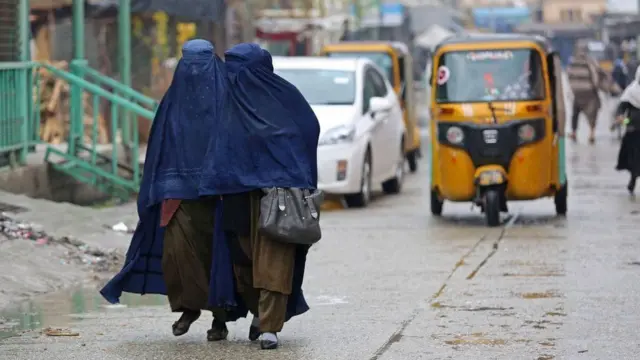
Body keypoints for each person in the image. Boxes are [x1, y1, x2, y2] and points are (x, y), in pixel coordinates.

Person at [100, 39, 248, 341]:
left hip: (220, 195)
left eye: (202, 61)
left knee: (219, 259)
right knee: (178, 257)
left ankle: (219, 319)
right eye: (189, 62)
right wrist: (159, 186)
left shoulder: (229, 100)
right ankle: (188, 307)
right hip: (178, 195)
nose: (195, 70)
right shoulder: (172, 104)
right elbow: (159, 149)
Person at [198, 43, 320, 350]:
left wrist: (285, 169)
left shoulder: (285, 98)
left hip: (278, 194)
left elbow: (306, 131)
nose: (232, 75)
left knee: (275, 260)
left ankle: (270, 326)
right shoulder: (228, 101)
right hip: (238, 193)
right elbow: (217, 143)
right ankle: (257, 314)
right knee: (243, 261)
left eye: (238, 68)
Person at [567, 42, 608, 143]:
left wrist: (572, 90)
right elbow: (595, 75)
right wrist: (596, 86)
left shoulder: (573, 62)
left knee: (575, 113)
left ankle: (574, 133)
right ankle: (591, 134)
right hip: (589, 93)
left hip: (577, 93)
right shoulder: (590, 61)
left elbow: (569, 76)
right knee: (592, 113)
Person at [612, 66, 640, 194]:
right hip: (633, 129)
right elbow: (622, 106)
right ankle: (633, 178)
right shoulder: (632, 91)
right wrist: (619, 116)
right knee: (634, 157)